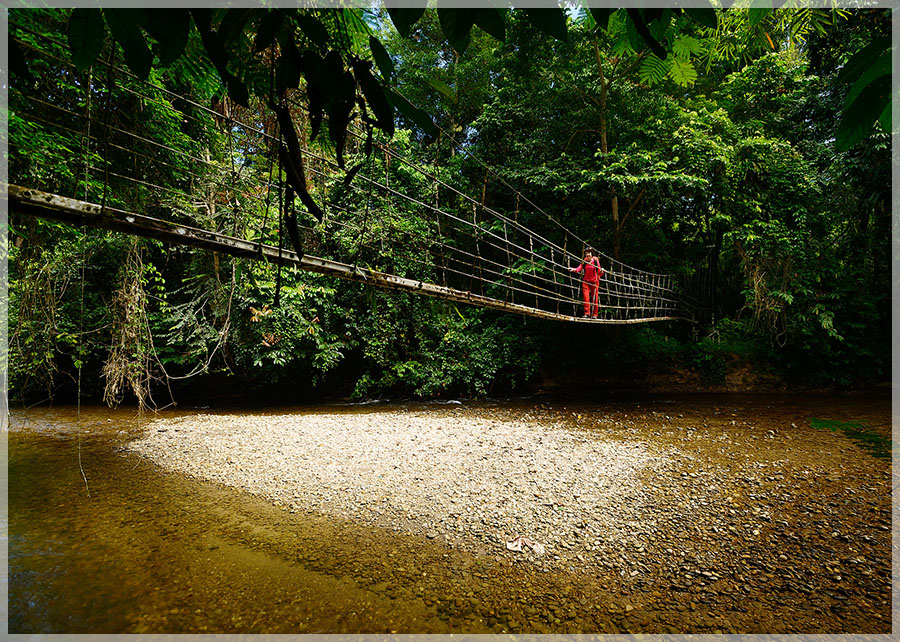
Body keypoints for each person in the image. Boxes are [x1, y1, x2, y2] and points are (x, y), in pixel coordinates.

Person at [569, 248, 604, 318]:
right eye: (586, 253)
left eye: (589, 253)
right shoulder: (585, 261)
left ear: (592, 254)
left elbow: (599, 270)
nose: (587, 255)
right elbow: (580, 267)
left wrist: (601, 271)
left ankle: (595, 314)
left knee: (595, 299)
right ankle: (587, 313)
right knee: (586, 298)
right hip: (586, 282)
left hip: (594, 282)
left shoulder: (595, 260)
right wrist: (574, 270)